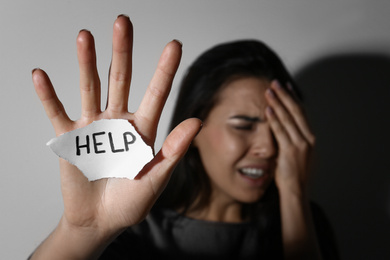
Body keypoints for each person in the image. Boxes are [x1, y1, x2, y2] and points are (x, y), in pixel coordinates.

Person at [30, 15, 338, 260]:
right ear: (194, 128)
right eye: (244, 125)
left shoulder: (306, 224)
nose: (269, 148)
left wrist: (294, 196)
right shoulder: (132, 231)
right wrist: (84, 232)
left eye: (281, 129)